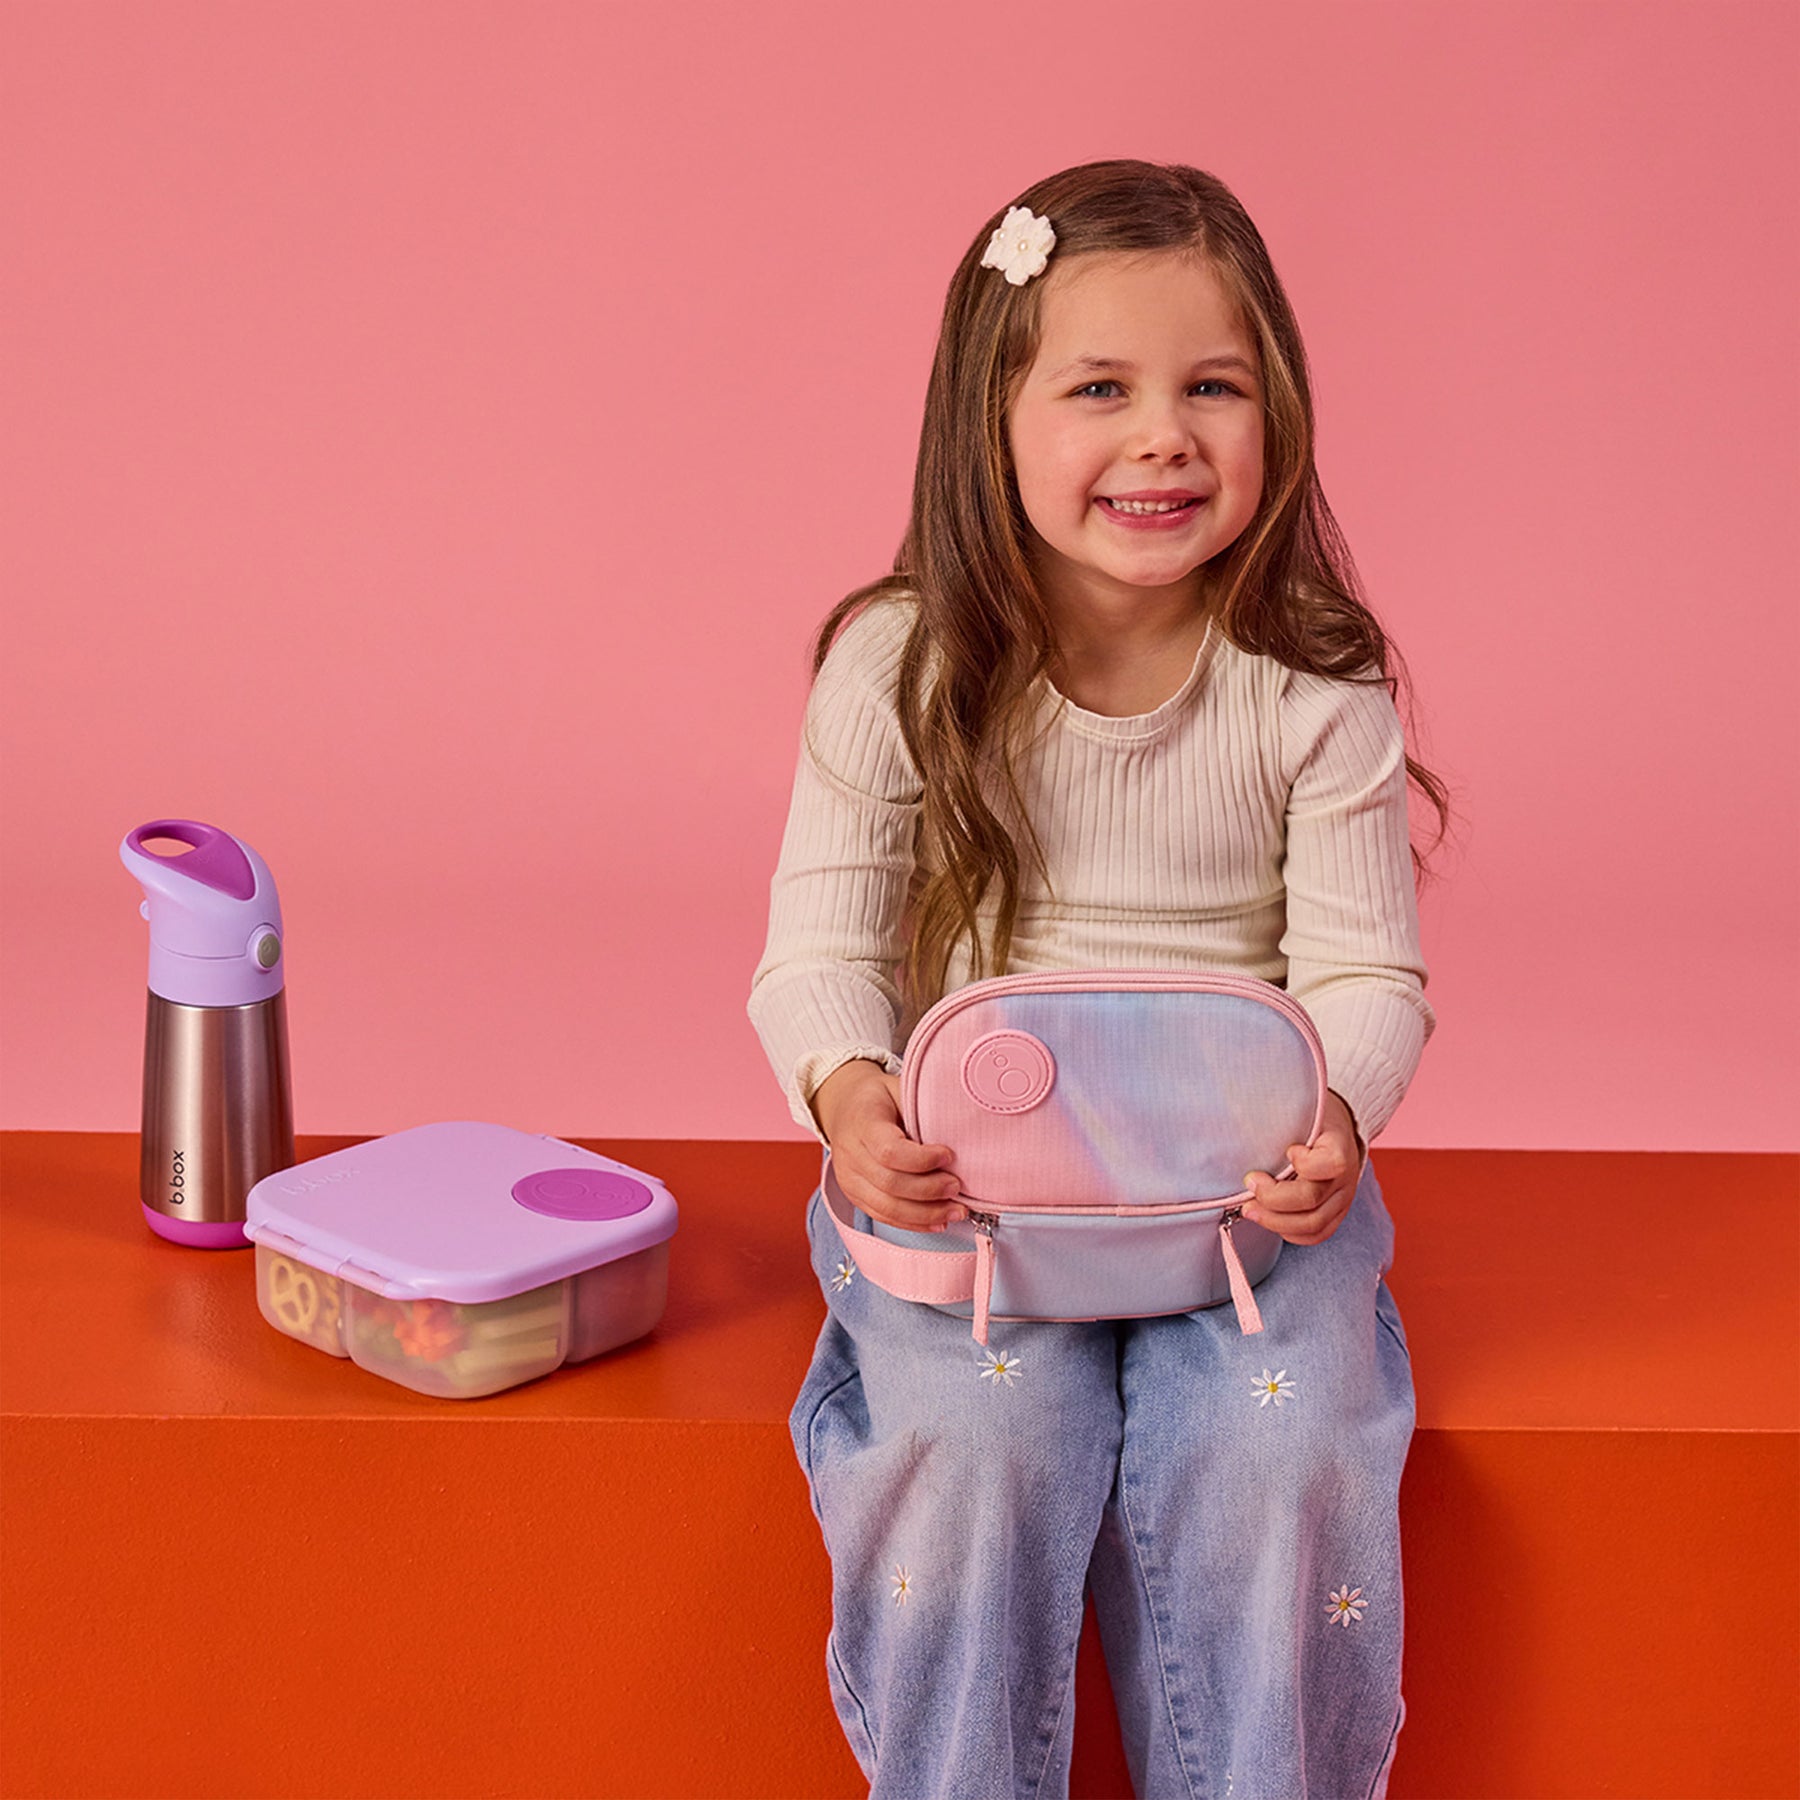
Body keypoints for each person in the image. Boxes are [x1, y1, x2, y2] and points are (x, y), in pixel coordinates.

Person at [748, 158, 1443, 1800]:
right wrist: (853, 1101)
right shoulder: (899, 665)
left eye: (1214, 387)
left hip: (1241, 1209)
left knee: (1281, 1455)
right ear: (989, 419)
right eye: (1100, 389)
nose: (1164, 438)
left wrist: (1338, 1119)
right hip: (976, 1203)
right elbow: (818, 954)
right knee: (975, 1447)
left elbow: (1370, 974)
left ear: (1278, 409)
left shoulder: (1315, 680)